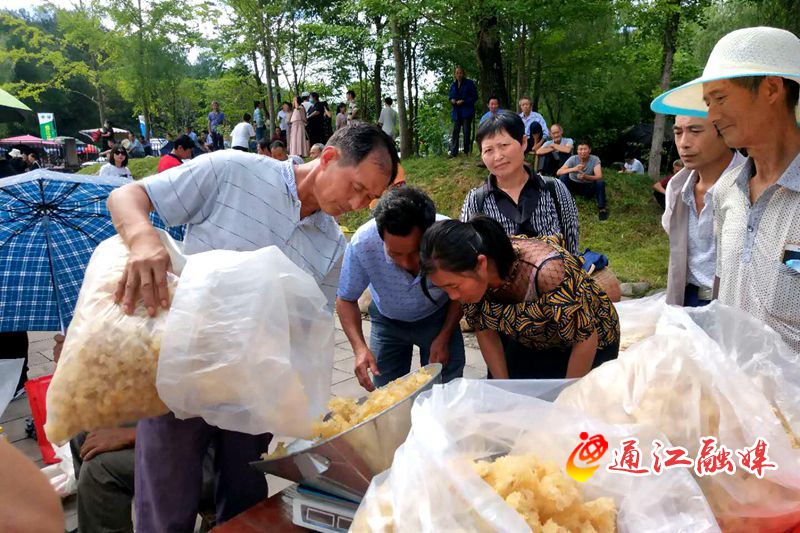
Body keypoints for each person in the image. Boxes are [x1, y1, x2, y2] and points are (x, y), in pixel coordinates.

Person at [106, 123, 399, 531]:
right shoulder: (234, 171)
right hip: (182, 368)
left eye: (369, 198)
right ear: (328, 158)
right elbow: (128, 195)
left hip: (252, 390)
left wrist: (306, 402)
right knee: (164, 502)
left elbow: (308, 325)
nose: (357, 202)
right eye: (356, 187)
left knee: (244, 502)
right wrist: (143, 240)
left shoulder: (333, 244)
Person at [652, 26, 800, 352]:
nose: (712, 115)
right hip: (730, 391)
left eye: (719, 98)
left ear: (771, 89)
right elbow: (724, 296)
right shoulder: (727, 193)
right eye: (708, 102)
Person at [420, 217, 619, 379]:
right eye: (445, 289)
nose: (453, 296)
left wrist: (567, 401)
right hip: (532, 341)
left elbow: (585, 339)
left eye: (453, 286)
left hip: (590, 345)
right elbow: (484, 330)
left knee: (571, 413)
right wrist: (505, 388)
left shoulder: (547, 272)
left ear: (481, 264)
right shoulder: (472, 283)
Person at [337, 187, 466, 391]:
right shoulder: (363, 244)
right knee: (386, 392)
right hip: (387, 321)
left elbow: (461, 292)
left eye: (416, 253)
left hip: (438, 318)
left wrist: (445, 335)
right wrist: (359, 348)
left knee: (447, 386)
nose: (406, 263)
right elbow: (345, 299)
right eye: (395, 254)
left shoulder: (447, 237)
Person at [461, 111, 580, 255]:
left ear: (523, 142)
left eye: (504, 145)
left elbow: (572, 245)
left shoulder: (555, 189)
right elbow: (470, 254)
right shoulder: (476, 200)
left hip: (557, 275)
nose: (498, 156)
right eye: (488, 150)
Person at [661, 115, 746, 307]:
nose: (683, 143)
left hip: (737, 309)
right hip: (687, 300)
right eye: (678, 132)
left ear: (726, 133)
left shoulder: (752, 185)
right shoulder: (677, 188)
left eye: (695, 131)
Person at [557, 140, 609, 220]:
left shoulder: (595, 159)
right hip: (573, 185)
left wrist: (586, 177)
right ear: (577, 151)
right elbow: (559, 172)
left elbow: (599, 176)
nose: (583, 151)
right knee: (563, 177)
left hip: (588, 186)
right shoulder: (572, 159)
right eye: (580, 149)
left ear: (589, 150)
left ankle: (602, 209)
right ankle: (565, 202)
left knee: (600, 182)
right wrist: (573, 169)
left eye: (585, 149)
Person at [448, 66, 478, 157]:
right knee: (455, 131)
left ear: (463, 73)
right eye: (457, 73)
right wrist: (452, 100)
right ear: (455, 74)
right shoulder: (453, 85)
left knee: (466, 131)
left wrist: (464, 101)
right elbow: (450, 97)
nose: (459, 74)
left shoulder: (469, 83)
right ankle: (454, 153)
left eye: (460, 72)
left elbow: (475, 97)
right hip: (456, 112)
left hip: (467, 111)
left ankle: (466, 151)